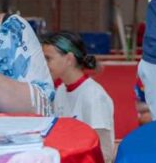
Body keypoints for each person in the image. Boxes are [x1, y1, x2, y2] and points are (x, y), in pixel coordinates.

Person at [41, 31, 114, 163]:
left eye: (48, 58)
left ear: (69, 59)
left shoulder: (94, 96)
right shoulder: (60, 91)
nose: (43, 64)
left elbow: (104, 153)